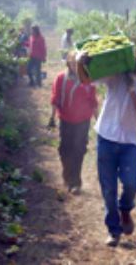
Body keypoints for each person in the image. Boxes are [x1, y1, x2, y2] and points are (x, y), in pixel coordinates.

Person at [77, 35, 136, 247]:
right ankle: (113, 231)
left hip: (129, 143)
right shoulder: (117, 74)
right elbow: (86, 80)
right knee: (108, 188)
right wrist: (81, 62)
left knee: (131, 183)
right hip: (106, 136)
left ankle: (125, 209)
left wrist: (133, 91)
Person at [48, 51, 98, 194]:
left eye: (78, 62)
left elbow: (93, 102)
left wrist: (98, 121)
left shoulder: (88, 80)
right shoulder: (61, 78)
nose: (76, 65)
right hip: (66, 119)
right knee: (65, 149)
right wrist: (52, 117)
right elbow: (55, 98)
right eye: (73, 62)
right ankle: (67, 173)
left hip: (83, 121)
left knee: (79, 149)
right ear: (68, 63)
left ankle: (75, 181)